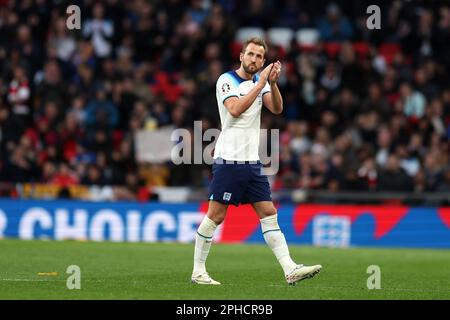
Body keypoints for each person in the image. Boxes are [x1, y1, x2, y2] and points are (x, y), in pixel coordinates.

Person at [191, 37, 322, 285]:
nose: (254, 59)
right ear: (241, 56)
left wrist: (272, 84)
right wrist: (261, 82)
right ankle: (198, 271)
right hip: (229, 159)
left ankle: (289, 269)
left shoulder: (260, 83)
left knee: (269, 213)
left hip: (252, 162)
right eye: (250, 54)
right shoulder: (226, 81)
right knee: (215, 216)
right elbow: (235, 109)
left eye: (259, 56)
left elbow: (277, 108)